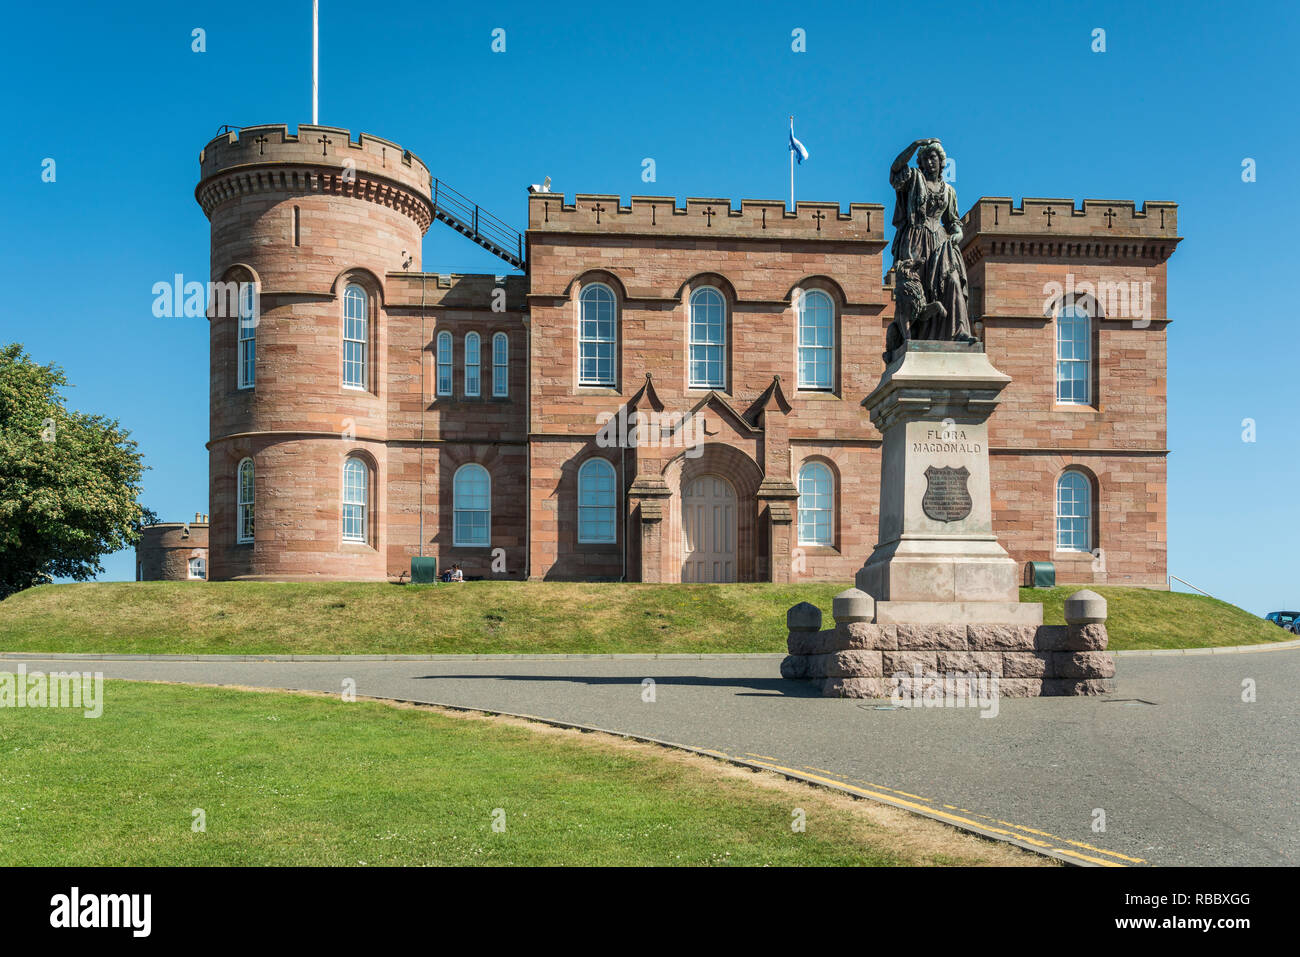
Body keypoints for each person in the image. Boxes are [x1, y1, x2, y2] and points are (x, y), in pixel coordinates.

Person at [888, 137, 972, 341]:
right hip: (915, 238)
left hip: (941, 243)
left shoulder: (949, 191)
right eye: (925, 159)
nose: (929, 162)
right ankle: (912, 335)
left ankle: (959, 331)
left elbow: (952, 220)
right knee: (916, 288)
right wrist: (915, 145)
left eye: (932, 157)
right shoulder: (914, 178)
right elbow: (895, 171)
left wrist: (958, 233)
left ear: (941, 161)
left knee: (952, 280)